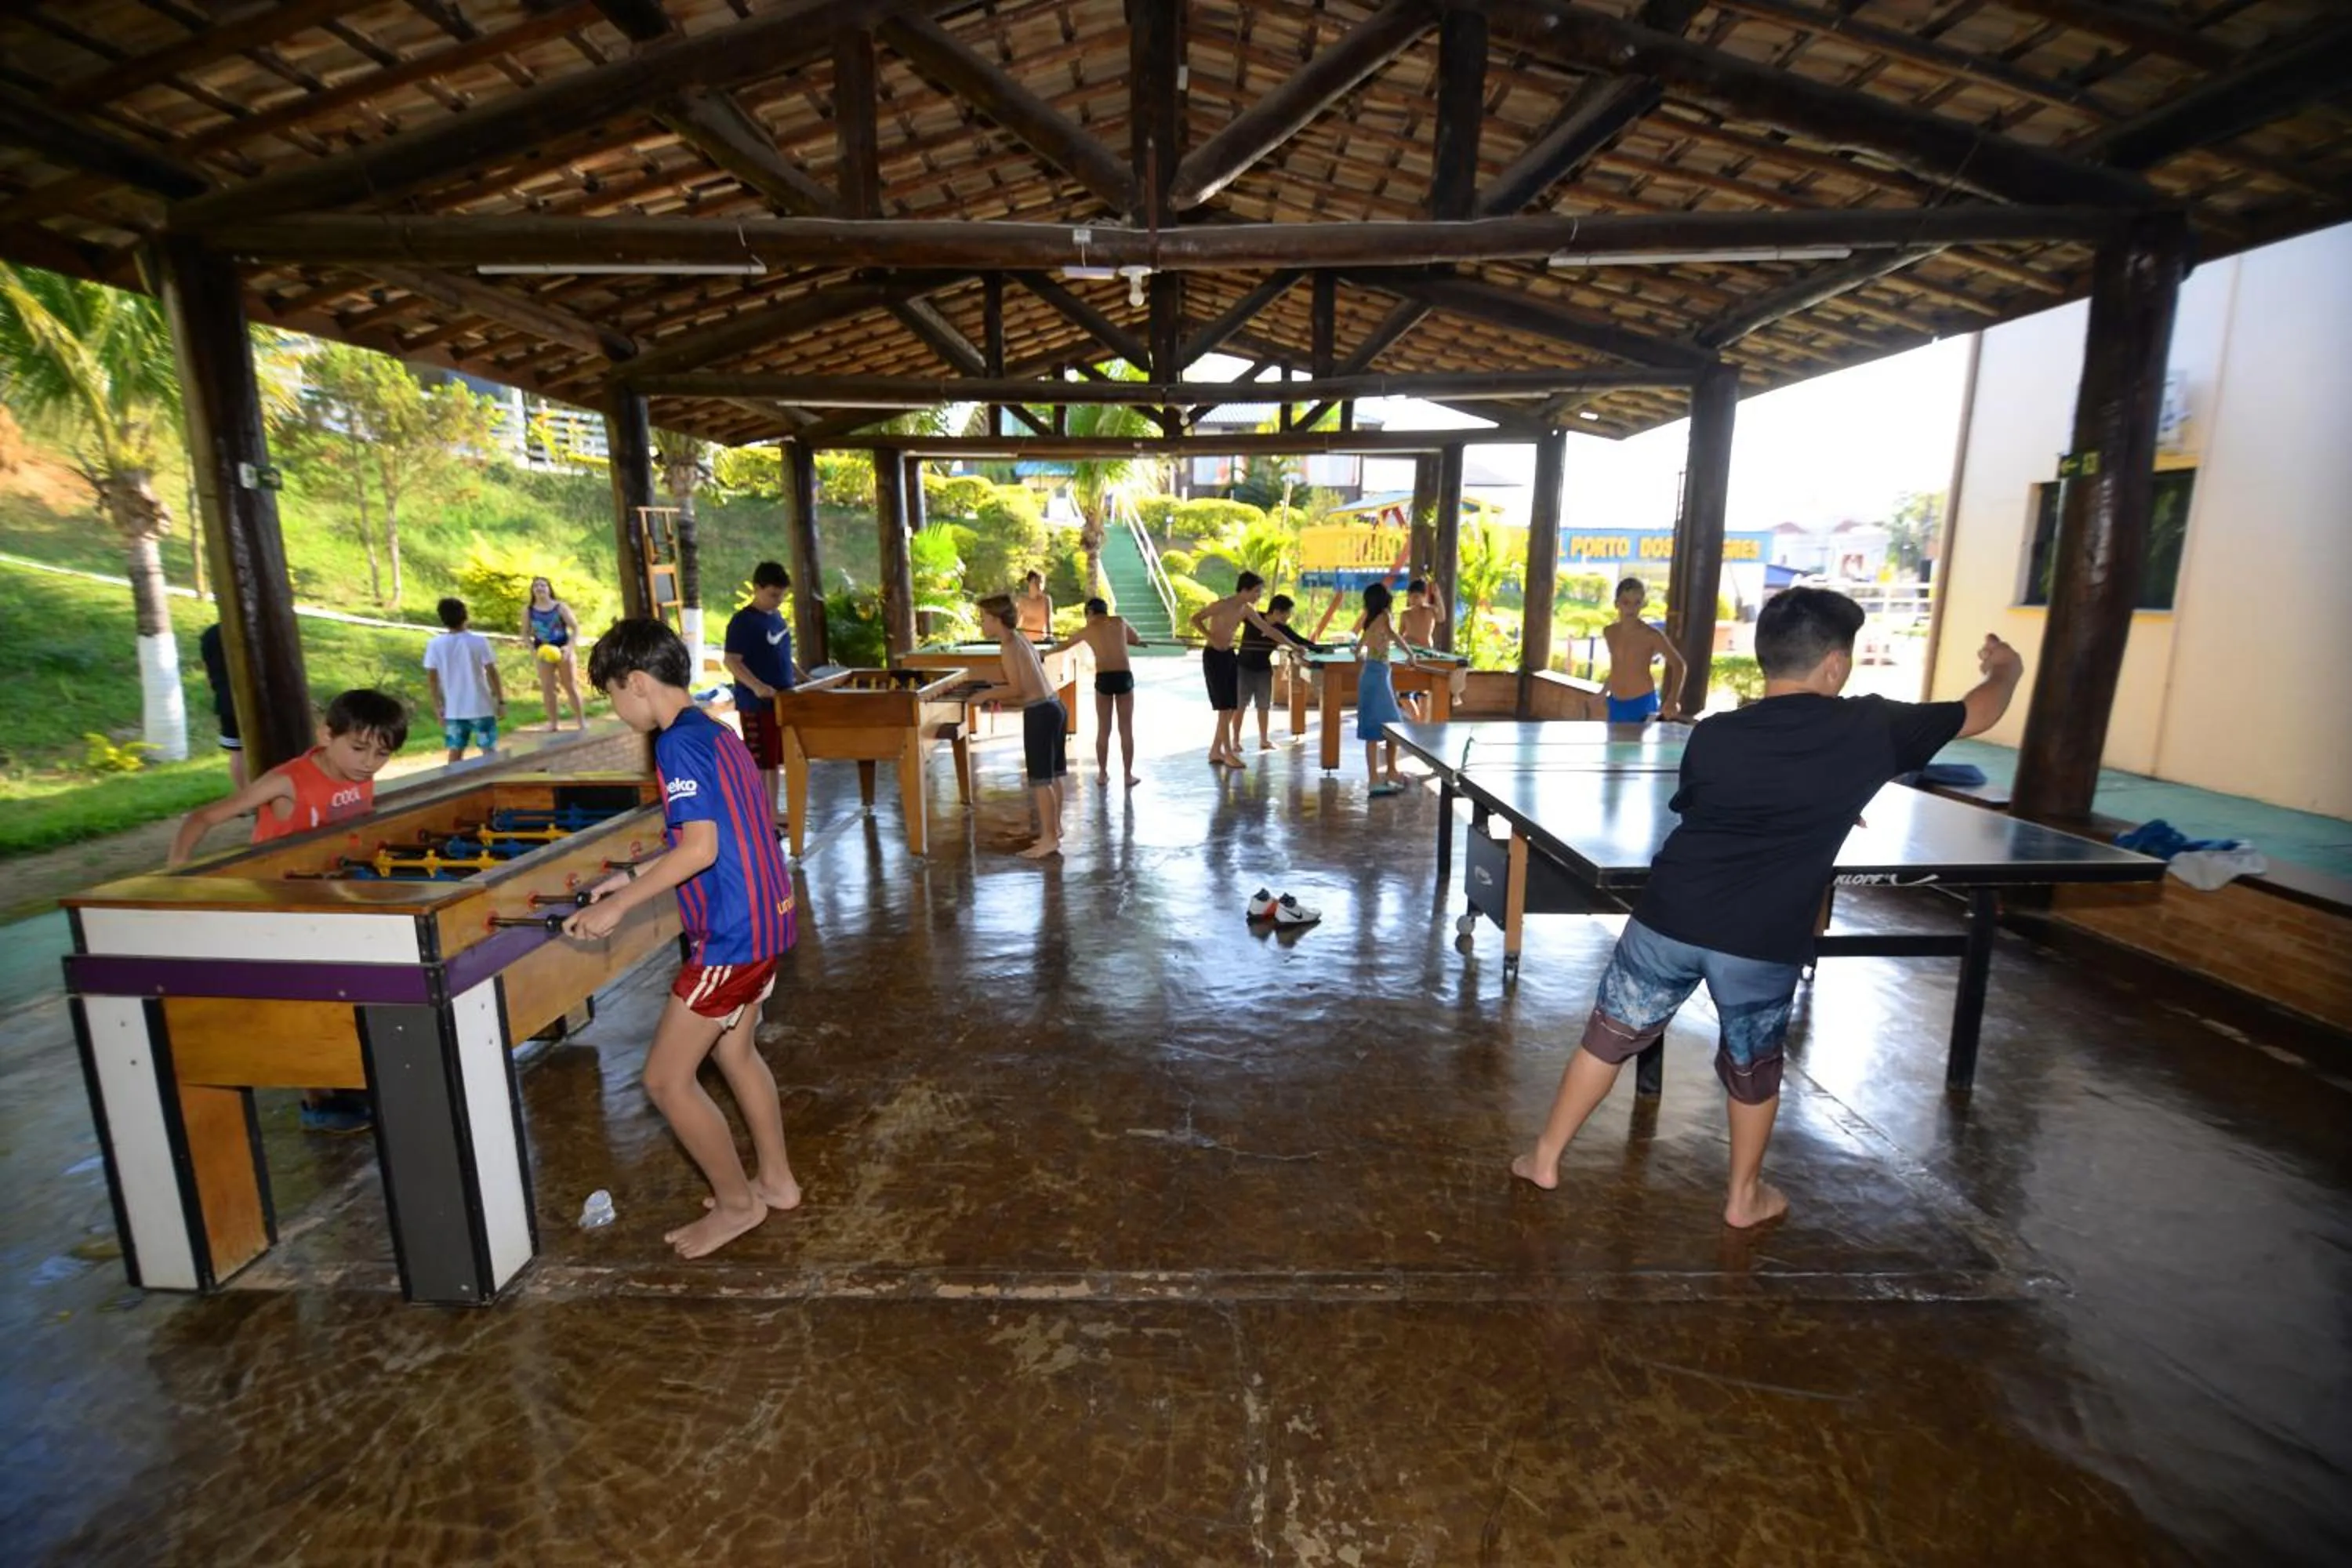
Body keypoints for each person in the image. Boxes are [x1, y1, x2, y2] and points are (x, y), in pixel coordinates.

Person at [1509, 589, 2025, 1229]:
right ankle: (1742, 1197)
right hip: (1760, 939)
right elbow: (1980, 711)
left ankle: (1545, 1157)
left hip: (1669, 916)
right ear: (1834, 664)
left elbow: (1715, 809)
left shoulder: (1715, 733)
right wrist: (2006, 669)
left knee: (1607, 1038)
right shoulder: (1872, 728)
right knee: (1753, 1065)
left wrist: (1823, 803)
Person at [564, 619, 800, 1260]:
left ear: (636, 682)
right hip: (766, 919)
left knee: (667, 1081)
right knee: (736, 1055)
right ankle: (775, 1181)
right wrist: (629, 880)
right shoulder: (714, 731)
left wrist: (622, 908)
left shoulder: (673, 746)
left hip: (731, 937)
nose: (617, 710)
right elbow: (716, 834)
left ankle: (737, 1205)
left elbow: (700, 850)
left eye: (613, 695)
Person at [167, 688, 408, 1136]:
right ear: (326, 735)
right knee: (299, 996)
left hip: (330, 898)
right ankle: (314, 1098)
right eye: (358, 749)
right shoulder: (287, 781)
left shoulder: (359, 775)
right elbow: (202, 818)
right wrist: (177, 872)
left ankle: (342, 1077)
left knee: (347, 987)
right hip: (278, 904)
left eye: (382, 754)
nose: (369, 763)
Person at [972, 593, 1066, 858]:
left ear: (996, 619)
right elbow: (1025, 686)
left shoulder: (1008, 647)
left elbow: (1017, 689)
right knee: (1054, 775)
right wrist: (995, 694)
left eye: (984, 618)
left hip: (1041, 713)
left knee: (1041, 781)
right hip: (1055, 706)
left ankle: (1049, 839)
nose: (982, 623)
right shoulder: (1020, 639)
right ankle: (1055, 829)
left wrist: (986, 695)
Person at [722, 561, 798, 831]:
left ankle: (772, 811)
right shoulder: (743, 622)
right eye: (773, 595)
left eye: (782, 596)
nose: (778, 601)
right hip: (756, 704)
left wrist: (802, 676)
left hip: (781, 701)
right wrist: (756, 686)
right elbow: (731, 661)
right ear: (757, 588)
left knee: (774, 761)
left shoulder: (776, 619)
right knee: (762, 762)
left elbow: (783, 656)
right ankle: (762, 815)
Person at [1189, 571, 1284, 770]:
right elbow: (1195, 619)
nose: (1259, 595)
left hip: (1229, 655)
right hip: (1214, 656)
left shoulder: (1246, 610)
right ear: (1245, 590)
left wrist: (1293, 645)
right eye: (1256, 591)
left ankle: (1216, 751)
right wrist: (1210, 637)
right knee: (1224, 707)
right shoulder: (1221, 605)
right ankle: (1228, 753)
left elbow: (1268, 630)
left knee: (1231, 706)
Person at [1054, 597, 1145, 786]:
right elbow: (1135, 639)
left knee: (1104, 729)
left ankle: (1103, 774)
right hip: (1123, 676)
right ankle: (1128, 776)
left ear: (1089, 613)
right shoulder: (1119, 622)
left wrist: (1043, 653)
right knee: (1126, 728)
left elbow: (1065, 644)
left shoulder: (1088, 630)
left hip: (1104, 678)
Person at [423, 597, 505, 765]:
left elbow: (432, 680)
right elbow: (492, 672)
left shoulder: (435, 644)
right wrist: (500, 700)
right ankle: (493, 779)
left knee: (455, 752)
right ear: (465, 616)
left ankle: (453, 781)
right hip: (481, 706)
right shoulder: (479, 642)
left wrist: (437, 706)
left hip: (454, 709)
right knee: (489, 751)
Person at [1236, 593, 1321, 751]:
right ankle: (1235, 741)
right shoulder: (1253, 617)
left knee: (1263, 706)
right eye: (1286, 614)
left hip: (1263, 669)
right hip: (1243, 668)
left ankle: (1264, 740)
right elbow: (1233, 616)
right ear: (1276, 611)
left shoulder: (1282, 628)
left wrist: (1322, 649)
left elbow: (1300, 641)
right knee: (1240, 706)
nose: (1288, 618)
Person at [1602, 577, 1687, 725]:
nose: (1631, 608)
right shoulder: (1609, 632)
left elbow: (1679, 665)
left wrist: (1672, 699)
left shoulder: (1652, 635)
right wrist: (1603, 692)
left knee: (1640, 741)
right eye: (1626, 602)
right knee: (1615, 741)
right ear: (1616, 604)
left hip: (1642, 702)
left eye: (1637, 603)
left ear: (1642, 605)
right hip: (1615, 702)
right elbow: (1618, 666)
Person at [1354, 582, 1410, 796]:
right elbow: (1394, 635)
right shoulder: (1385, 615)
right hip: (1377, 676)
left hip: (1373, 674)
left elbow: (1362, 642)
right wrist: (1410, 654)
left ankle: (1384, 775)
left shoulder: (1371, 619)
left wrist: (1358, 652)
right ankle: (1381, 777)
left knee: (1378, 729)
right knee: (1390, 726)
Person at [523, 575, 586, 731]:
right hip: (543, 652)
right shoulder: (528, 610)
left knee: (570, 685)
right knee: (548, 688)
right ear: (532, 590)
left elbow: (575, 628)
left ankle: (581, 721)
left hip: (563, 650)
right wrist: (533, 651)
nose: (540, 588)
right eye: (536, 586)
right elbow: (525, 633)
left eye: (543, 585)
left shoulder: (560, 607)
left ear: (549, 589)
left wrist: (569, 648)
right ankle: (553, 723)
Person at [198, 622, 245, 788]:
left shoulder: (211, 634)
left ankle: (245, 795)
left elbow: (208, 669)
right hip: (260, 699)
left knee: (237, 751)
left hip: (226, 699)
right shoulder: (257, 629)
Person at [1397, 579, 1446, 720]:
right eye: (1411, 596)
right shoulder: (1405, 614)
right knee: (1404, 695)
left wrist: (1438, 596)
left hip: (1426, 654)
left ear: (1424, 597)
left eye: (1417, 596)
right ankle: (1417, 720)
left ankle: (1422, 724)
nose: (1413, 600)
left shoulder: (1430, 610)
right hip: (1410, 654)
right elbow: (1400, 635)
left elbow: (1442, 618)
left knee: (1423, 692)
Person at [1014, 569, 1053, 641]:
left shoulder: (1046, 600)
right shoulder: (1023, 600)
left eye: (1042, 582)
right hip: (1025, 640)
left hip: (1040, 640)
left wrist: (1050, 636)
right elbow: (1017, 621)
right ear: (1030, 583)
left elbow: (1048, 620)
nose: (1040, 585)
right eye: (1037, 582)